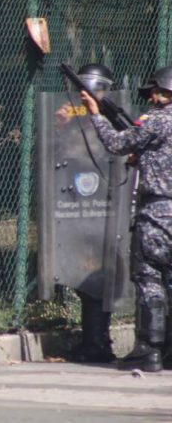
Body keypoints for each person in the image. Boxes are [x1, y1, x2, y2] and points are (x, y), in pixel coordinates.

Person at [80, 65, 172, 372]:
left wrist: (94, 112)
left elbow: (116, 144)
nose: (152, 100)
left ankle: (149, 349)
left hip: (157, 214)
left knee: (150, 280)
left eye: (155, 94)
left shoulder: (157, 121)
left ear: (163, 93)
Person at [61, 64, 118, 364]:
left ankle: (97, 343)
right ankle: (95, 341)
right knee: (87, 276)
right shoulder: (73, 115)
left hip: (104, 207)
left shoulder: (108, 118)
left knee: (97, 275)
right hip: (76, 206)